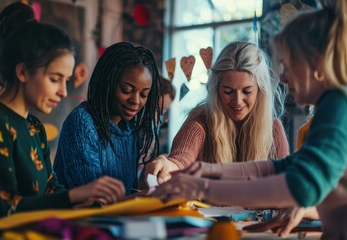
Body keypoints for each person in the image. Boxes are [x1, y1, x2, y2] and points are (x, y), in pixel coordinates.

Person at [152, 0, 347, 238]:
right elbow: (286, 167)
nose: (283, 77)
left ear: (315, 63)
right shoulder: (335, 103)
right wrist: (211, 170)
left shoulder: (338, 105)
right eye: (228, 91)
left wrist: (204, 186)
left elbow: (298, 186)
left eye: (288, 65)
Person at [0, 3, 125, 222]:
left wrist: (85, 202)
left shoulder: (35, 127)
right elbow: (3, 209)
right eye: (54, 79)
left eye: (66, 81)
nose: (62, 91)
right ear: (23, 71)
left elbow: (50, 189)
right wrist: (74, 195)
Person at [146, 41, 289, 184]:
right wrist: (167, 165)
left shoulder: (274, 129)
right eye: (228, 91)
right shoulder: (199, 124)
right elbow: (180, 161)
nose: (237, 100)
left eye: (247, 91)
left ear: (260, 90)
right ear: (216, 89)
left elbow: (286, 183)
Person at [53, 42, 162, 195]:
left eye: (144, 94)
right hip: (78, 218)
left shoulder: (130, 128)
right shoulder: (82, 122)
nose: (136, 101)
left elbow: (128, 191)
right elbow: (95, 199)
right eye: (126, 90)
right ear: (107, 83)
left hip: (116, 217)